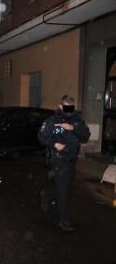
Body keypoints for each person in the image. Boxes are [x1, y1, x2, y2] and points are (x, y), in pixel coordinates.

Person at [38, 95, 90, 232]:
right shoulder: (53, 121)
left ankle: (47, 195)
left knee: (63, 187)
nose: (68, 109)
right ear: (60, 106)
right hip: (59, 159)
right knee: (63, 192)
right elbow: (42, 137)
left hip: (72, 159)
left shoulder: (77, 120)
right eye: (66, 106)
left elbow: (86, 135)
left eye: (70, 106)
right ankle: (64, 221)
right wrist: (55, 144)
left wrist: (73, 128)